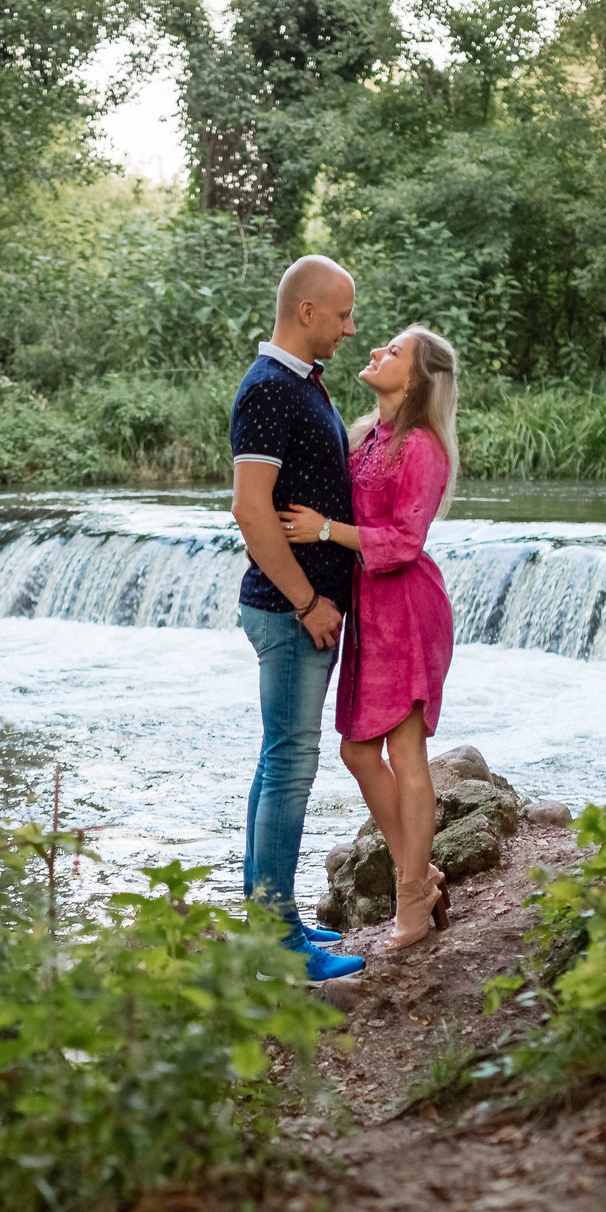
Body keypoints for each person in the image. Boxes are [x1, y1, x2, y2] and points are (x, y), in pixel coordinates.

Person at [278, 324, 460, 953]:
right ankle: (424, 874)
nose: (377, 351)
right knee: (358, 753)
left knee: (405, 757)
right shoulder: (366, 437)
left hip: (407, 607)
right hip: (368, 609)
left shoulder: (423, 447)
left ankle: (411, 893)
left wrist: (326, 530)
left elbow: (407, 542)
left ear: (415, 378)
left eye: (394, 351)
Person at [228, 256, 367, 981]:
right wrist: (310, 602)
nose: (351, 327)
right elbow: (251, 509)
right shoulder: (270, 391)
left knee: (277, 758)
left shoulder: (298, 385)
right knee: (289, 765)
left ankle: (266, 923)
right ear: (306, 312)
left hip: (293, 609)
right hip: (290, 613)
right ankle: (278, 943)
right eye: (342, 314)